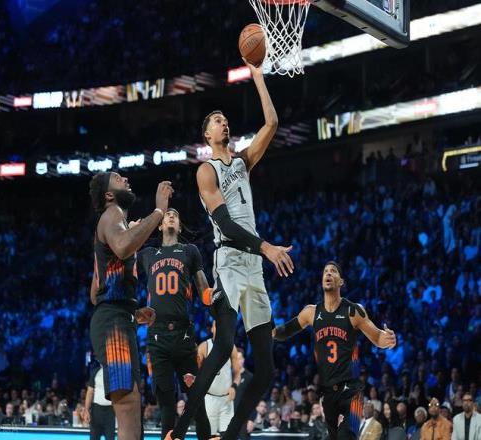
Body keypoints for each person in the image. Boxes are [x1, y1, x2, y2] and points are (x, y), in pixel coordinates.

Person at [166, 59, 294, 440]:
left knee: (266, 370)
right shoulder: (206, 171)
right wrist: (266, 246)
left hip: (254, 263)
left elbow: (272, 123)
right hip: (229, 261)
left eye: (225, 119)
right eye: (216, 121)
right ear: (207, 135)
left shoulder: (242, 161)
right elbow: (223, 222)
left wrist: (258, 78)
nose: (224, 123)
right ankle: (180, 430)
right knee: (222, 346)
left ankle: (230, 435)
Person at [88, 171, 173, 440]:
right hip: (113, 322)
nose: (125, 179)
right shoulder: (111, 213)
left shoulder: (114, 224)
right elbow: (124, 246)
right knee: (127, 405)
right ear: (109, 195)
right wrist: (159, 211)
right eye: (117, 178)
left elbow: (95, 292)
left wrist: (132, 311)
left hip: (119, 318)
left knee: (132, 406)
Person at [273, 261, 396, 440]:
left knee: (346, 436)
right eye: (325, 272)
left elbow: (377, 338)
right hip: (328, 392)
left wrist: (388, 339)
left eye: (333, 271)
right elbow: (285, 331)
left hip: (352, 391)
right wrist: (269, 331)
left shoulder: (353, 311)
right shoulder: (311, 312)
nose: (328, 274)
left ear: (341, 282)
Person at [138, 208, 211, 439]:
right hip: (157, 338)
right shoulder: (147, 253)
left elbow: (203, 289)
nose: (171, 216)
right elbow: (124, 270)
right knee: (167, 406)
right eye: (167, 215)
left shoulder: (190, 251)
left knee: (196, 400)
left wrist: (217, 302)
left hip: (183, 336)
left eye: (176, 216)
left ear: (179, 227)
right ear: (159, 226)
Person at [199, 321, 241, 436]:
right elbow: (196, 373)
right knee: (210, 436)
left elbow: (238, 374)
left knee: (228, 435)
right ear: (212, 329)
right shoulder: (204, 347)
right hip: (209, 398)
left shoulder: (231, 347)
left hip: (226, 400)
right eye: (217, 326)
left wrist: (234, 386)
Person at [84, 362, 115, 440]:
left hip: (111, 410)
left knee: (110, 437)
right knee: (94, 437)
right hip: (96, 410)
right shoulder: (95, 372)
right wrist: (86, 410)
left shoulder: (115, 373)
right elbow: (90, 391)